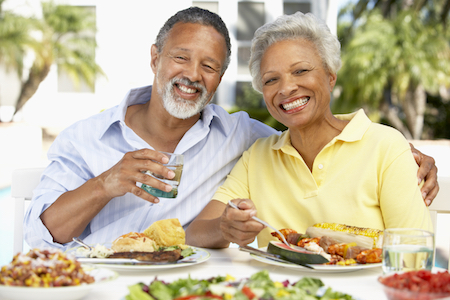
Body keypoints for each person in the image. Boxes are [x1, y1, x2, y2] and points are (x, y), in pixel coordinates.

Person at [24, 7, 437, 250]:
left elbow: (312, 133)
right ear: (155, 58)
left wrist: (401, 153)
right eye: (180, 58)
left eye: (209, 66)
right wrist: (106, 183)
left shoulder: (241, 138)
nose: (191, 75)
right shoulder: (85, 137)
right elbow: (40, 235)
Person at [185, 12, 434, 249]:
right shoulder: (257, 156)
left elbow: (414, 253)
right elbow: (196, 233)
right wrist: (225, 227)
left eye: (301, 71)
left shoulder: (386, 147)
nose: (286, 88)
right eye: (271, 80)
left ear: (330, 76)